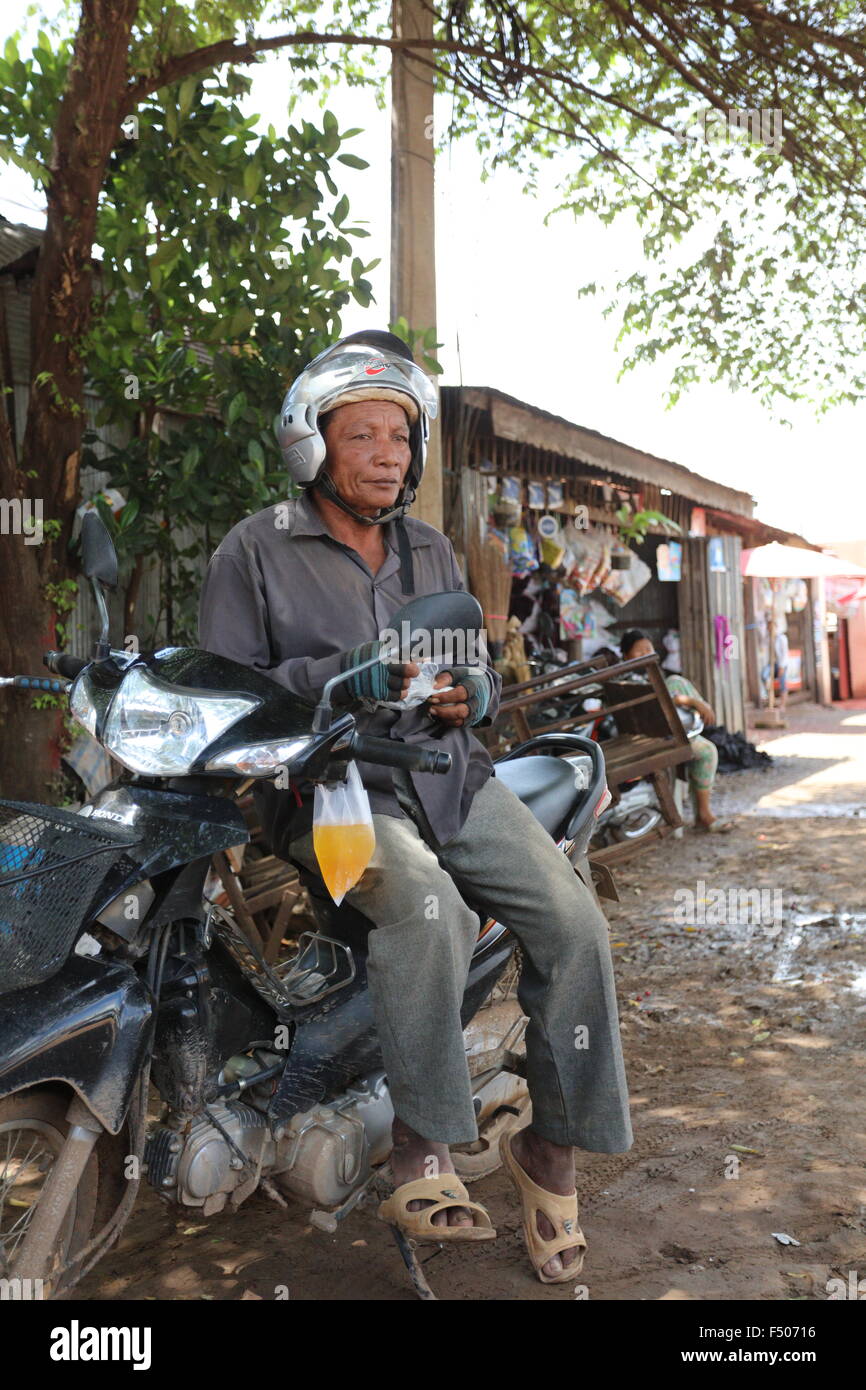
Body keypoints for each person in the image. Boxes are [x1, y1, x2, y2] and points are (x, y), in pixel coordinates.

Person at [198, 330, 633, 1283]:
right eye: (363, 436)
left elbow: (469, 665)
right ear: (313, 446)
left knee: (575, 926)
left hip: (449, 776)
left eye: (399, 435)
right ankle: (424, 1146)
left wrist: (463, 697)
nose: (389, 454)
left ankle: (549, 1152)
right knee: (427, 907)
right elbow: (230, 696)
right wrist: (342, 680)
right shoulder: (255, 551)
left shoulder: (430, 547)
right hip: (334, 793)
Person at [619, 629, 733, 834]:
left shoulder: (637, 676)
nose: (645, 653)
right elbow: (661, 701)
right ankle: (704, 815)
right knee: (707, 751)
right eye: (639, 650)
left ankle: (697, 724)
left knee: (676, 683)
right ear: (626, 655)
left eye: (648, 648)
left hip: (653, 734)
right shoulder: (634, 678)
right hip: (654, 739)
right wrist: (691, 701)